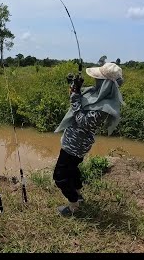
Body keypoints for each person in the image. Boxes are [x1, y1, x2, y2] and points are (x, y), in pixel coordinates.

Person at [53, 62, 125, 217]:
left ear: (106, 83)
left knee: (59, 176)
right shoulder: (97, 95)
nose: (96, 81)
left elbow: (82, 120)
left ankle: (74, 206)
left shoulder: (105, 106)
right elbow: (78, 103)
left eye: (99, 79)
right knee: (72, 169)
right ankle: (78, 194)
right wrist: (75, 89)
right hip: (75, 141)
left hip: (75, 145)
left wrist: (74, 96)